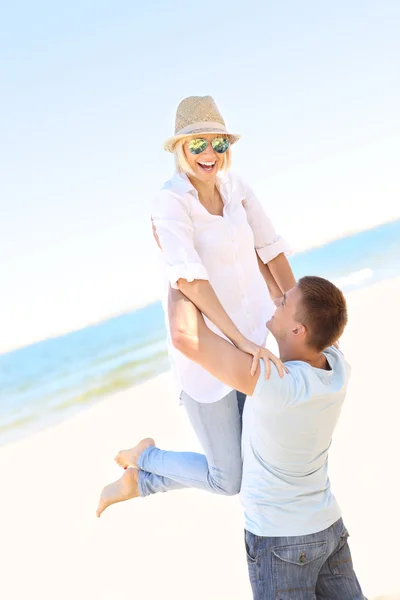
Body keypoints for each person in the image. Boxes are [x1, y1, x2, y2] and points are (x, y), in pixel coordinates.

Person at [98, 275, 365, 599]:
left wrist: (178, 267)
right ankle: (143, 474)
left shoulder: (277, 384)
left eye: (283, 303)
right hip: (328, 529)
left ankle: (143, 466)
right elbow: (319, 313)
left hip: (283, 543)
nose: (276, 300)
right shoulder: (337, 367)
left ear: (299, 330)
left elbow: (187, 338)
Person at [96, 95, 296, 514]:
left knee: (265, 454)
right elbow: (189, 278)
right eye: (197, 143)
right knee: (228, 479)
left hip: (255, 337)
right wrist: (238, 341)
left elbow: (271, 248)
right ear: (180, 150)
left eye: (218, 143)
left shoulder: (237, 188)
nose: (210, 154)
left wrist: (301, 316)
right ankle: (143, 465)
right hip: (210, 354)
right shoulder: (170, 202)